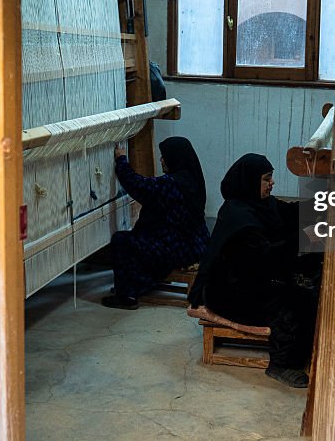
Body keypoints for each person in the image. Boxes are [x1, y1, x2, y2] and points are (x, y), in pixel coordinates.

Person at [187, 153, 318, 388]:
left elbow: (289, 212)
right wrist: (303, 238)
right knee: (294, 305)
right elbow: (266, 260)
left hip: (249, 280)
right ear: (250, 182)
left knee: (306, 292)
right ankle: (281, 365)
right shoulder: (239, 218)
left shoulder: (260, 204)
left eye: (271, 177)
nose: (272, 183)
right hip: (229, 292)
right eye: (267, 179)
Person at [101, 136, 209, 310]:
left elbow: (137, 185)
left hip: (176, 250)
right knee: (143, 234)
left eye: (164, 156)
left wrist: (121, 159)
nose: (161, 160)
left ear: (175, 158)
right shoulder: (193, 179)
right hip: (197, 245)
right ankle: (141, 283)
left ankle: (126, 295)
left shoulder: (170, 184)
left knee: (121, 241)